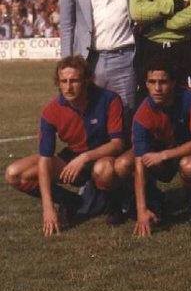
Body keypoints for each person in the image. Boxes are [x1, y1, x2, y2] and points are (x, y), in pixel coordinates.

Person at [4, 56, 125, 235]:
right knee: (14, 174)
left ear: (86, 80)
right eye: (64, 81)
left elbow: (118, 144)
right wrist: (48, 207)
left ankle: (114, 204)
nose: (68, 87)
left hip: (102, 156)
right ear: (58, 83)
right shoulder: (51, 111)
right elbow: (45, 159)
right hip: (73, 157)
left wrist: (84, 158)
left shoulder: (109, 99)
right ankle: (72, 202)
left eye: (74, 80)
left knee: (104, 169)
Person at [116, 58, 191, 236]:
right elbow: (140, 163)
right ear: (146, 84)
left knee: (189, 166)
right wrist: (141, 209)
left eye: (163, 82)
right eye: (152, 82)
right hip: (157, 155)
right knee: (122, 164)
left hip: (185, 152)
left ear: (173, 82)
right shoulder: (142, 114)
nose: (157, 88)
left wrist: (165, 155)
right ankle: (152, 201)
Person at [60, 0, 138, 120]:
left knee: (125, 116)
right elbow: (67, 24)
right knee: (89, 118)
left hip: (125, 60)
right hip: (88, 61)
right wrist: (67, 63)